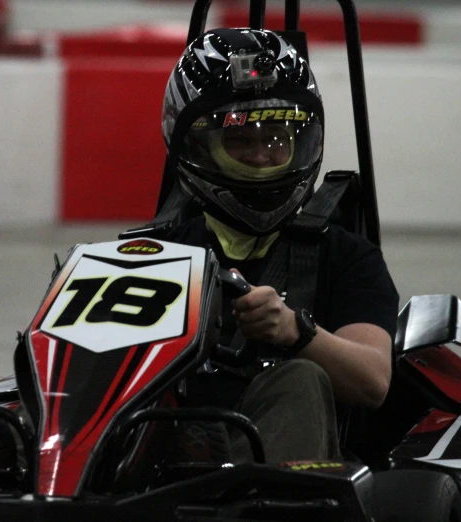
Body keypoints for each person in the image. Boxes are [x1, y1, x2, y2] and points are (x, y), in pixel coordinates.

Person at [156, 28, 399, 464]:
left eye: (276, 139)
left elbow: (373, 381)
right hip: (163, 455)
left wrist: (296, 331)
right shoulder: (158, 252)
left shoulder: (344, 255)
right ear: (197, 146)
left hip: (282, 469)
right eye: (239, 140)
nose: (262, 156)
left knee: (300, 377)